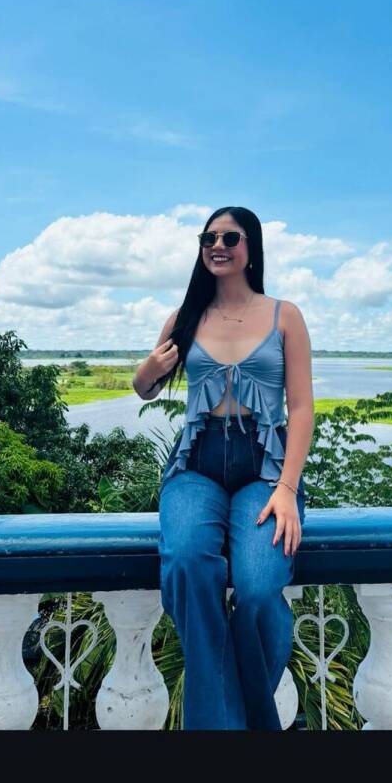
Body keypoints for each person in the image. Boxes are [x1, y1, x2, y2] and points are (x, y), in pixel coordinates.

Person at [132, 205, 314, 730]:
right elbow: (145, 389)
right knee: (187, 563)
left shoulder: (284, 315)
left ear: (250, 248)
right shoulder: (185, 317)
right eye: (208, 237)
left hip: (265, 466)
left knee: (258, 584)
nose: (217, 246)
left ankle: (226, 718)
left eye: (230, 238)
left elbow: (302, 408)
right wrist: (148, 368)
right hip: (197, 461)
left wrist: (287, 488)